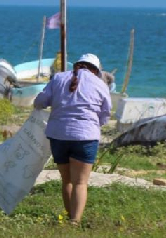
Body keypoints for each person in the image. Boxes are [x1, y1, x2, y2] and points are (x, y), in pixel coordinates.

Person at [33, 53, 111, 225]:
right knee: (80, 182)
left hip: (58, 134)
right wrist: (94, 125)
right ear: (96, 70)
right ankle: (74, 222)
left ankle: (69, 217)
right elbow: (106, 113)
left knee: (66, 180)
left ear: (77, 65)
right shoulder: (100, 84)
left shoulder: (58, 78)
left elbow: (40, 101)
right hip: (86, 136)